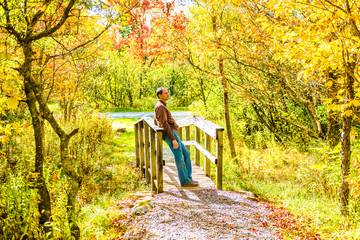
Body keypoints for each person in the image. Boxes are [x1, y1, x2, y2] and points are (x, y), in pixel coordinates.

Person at [154, 87, 199, 187]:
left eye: (167, 93)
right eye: (165, 93)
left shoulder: (162, 105)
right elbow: (164, 124)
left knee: (186, 153)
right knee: (179, 157)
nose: (167, 94)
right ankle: (185, 181)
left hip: (172, 134)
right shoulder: (160, 107)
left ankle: (188, 178)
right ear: (159, 95)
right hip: (171, 135)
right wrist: (173, 139)